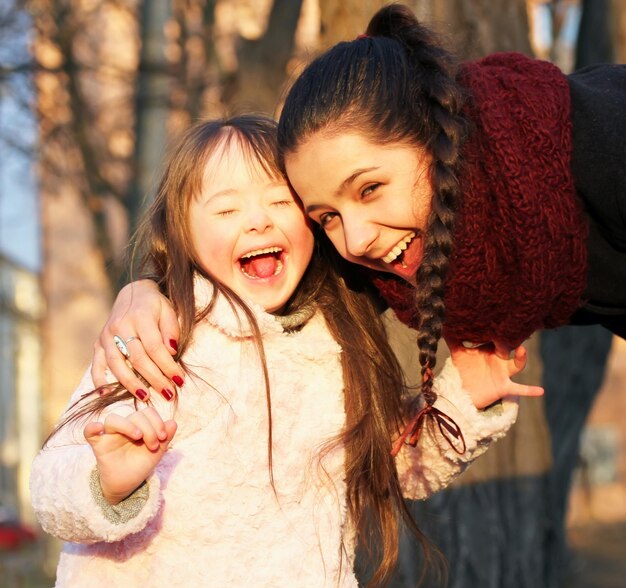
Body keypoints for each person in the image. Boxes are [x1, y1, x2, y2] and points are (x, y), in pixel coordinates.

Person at [29, 116, 533, 588]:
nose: (258, 221)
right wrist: (108, 482)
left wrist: (465, 396)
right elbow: (50, 487)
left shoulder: (337, 345)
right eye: (226, 208)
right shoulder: (156, 340)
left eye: (279, 201)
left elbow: (393, 469)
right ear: (181, 232)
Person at [92, 3, 623, 449]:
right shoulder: (406, 259)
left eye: (369, 188)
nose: (357, 239)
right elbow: (278, 272)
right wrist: (148, 291)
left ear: (438, 138)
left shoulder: (600, 138)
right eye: (325, 217)